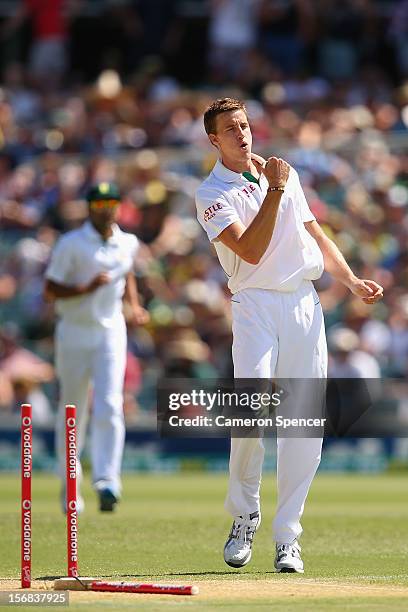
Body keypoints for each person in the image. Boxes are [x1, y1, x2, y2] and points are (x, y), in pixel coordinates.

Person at [195, 98, 383, 573]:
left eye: (244, 124)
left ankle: (287, 537)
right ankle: (244, 517)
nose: (242, 133)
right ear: (214, 140)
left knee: (303, 423)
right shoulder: (211, 192)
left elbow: (316, 236)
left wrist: (351, 280)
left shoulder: (285, 174)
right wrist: (274, 190)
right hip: (254, 303)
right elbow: (251, 251)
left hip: (302, 301)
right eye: (230, 129)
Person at [44, 182, 149, 512]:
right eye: (100, 202)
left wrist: (134, 305)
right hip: (73, 331)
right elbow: (50, 290)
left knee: (110, 402)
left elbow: (126, 273)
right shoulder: (71, 244)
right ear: (90, 207)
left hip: (110, 331)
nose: (106, 208)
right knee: (73, 410)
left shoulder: (127, 242)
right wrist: (85, 288)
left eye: (111, 202)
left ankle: (107, 480)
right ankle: (70, 486)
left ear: (118, 206)